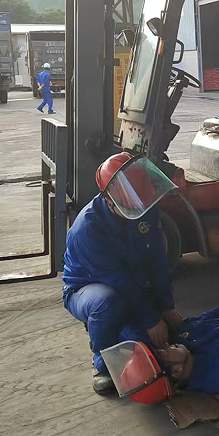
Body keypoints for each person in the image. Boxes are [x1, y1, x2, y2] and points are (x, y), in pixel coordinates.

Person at [62, 152, 183, 395]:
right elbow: (116, 280)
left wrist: (166, 307)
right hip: (88, 288)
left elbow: (157, 260)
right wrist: (150, 319)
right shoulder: (87, 229)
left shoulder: (144, 208)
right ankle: (102, 364)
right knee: (107, 303)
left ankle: (114, 331)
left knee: (150, 343)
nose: (140, 209)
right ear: (109, 200)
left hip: (129, 283)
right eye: (132, 204)